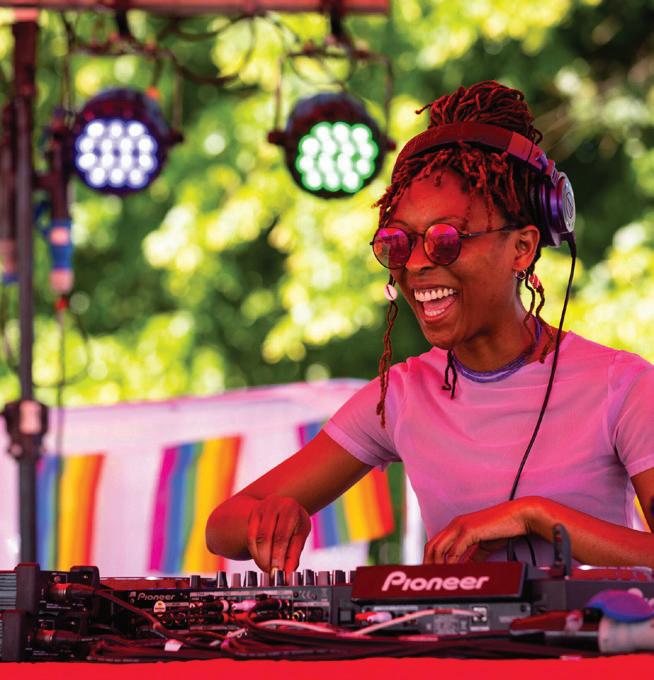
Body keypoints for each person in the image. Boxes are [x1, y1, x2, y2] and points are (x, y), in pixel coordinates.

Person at [206, 80, 654, 574]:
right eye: (399, 242)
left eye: (446, 239)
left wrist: (536, 515)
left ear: (522, 248)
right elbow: (222, 525)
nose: (417, 263)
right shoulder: (401, 396)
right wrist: (270, 515)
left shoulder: (622, 384)